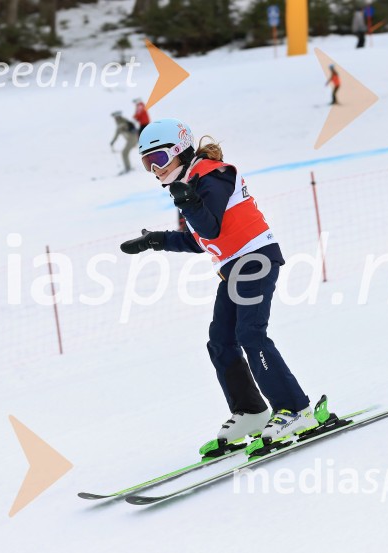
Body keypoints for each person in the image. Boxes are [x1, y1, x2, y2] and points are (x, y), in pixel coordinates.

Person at [119, 118, 316, 449]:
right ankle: (251, 411)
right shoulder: (187, 185)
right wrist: (156, 240)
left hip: (256, 258)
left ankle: (296, 409)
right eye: (147, 163)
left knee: (251, 334)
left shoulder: (214, 175)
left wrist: (189, 202)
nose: (154, 169)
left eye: (159, 159)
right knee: (220, 341)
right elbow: (200, 240)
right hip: (233, 267)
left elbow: (209, 227)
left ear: (181, 151)